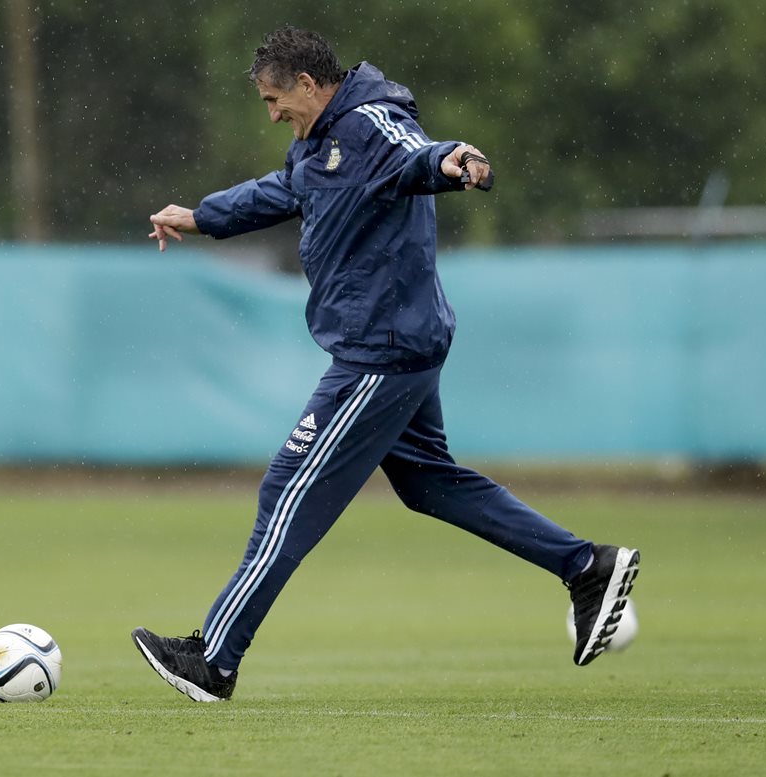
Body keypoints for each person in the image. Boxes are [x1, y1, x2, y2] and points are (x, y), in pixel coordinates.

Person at [131, 26, 640, 703]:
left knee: (288, 487)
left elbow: (417, 155)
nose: (272, 111)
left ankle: (215, 659)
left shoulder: (371, 124)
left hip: (382, 350)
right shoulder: (318, 144)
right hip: (398, 341)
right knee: (429, 484)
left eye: (275, 99)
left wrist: (456, 159)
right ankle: (586, 567)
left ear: (310, 85)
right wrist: (202, 216)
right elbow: (282, 191)